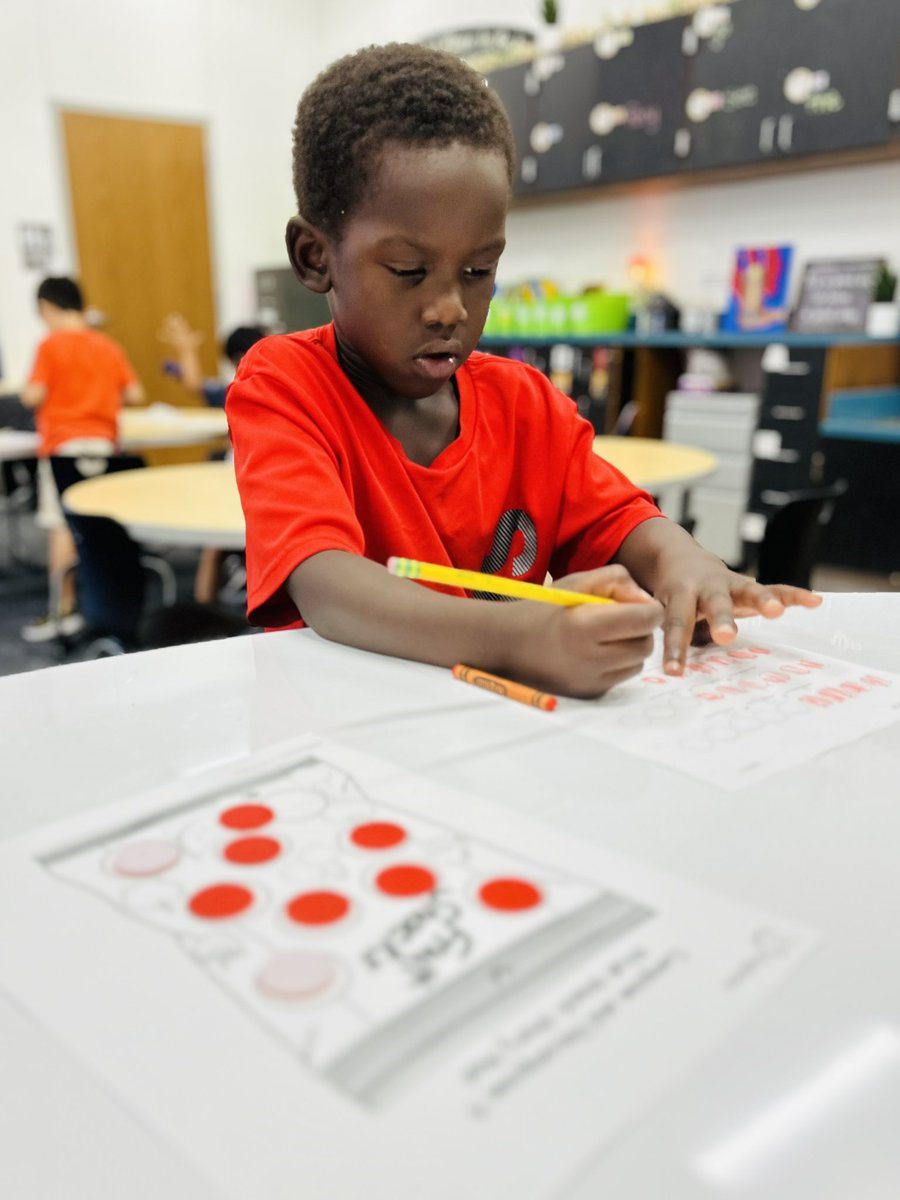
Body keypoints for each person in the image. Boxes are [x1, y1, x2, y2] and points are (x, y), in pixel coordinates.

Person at [227, 43, 821, 699]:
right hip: (344, 733)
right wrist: (520, 639)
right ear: (315, 258)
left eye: (479, 271)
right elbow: (328, 588)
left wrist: (686, 563)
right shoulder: (284, 384)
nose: (450, 306)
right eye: (408, 271)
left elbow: (619, 522)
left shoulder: (525, 403)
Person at [20, 276, 144, 642]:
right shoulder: (106, 345)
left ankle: (65, 608)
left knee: (63, 525)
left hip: (64, 448)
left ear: (47, 307)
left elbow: (32, 396)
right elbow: (135, 393)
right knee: (100, 525)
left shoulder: (50, 345)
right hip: (104, 447)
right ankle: (110, 598)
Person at [157, 312, 265, 603]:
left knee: (214, 544)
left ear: (239, 357)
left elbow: (195, 384)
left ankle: (205, 610)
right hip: (268, 488)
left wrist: (187, 349)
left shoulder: (239, 389)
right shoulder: (281, 385)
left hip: (243, 487)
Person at [158, 313, 267, 408]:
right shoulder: (234, 394)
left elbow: (195, 384)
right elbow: (195, 384)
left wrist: (187, 350)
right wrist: (187, 350)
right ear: (240, 359)